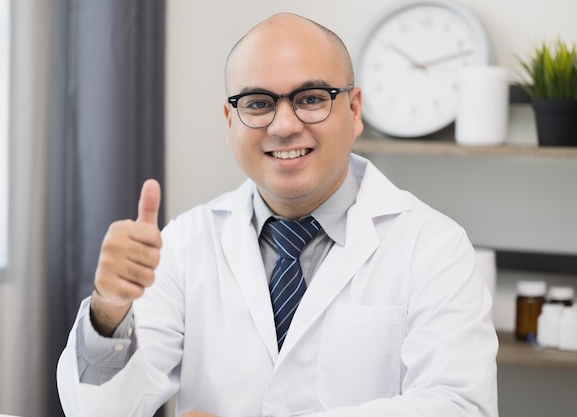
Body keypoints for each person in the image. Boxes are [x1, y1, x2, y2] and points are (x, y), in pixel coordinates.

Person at [57, 12, 498, 417]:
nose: (284, 125)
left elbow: (458, 406)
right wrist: (109, 311)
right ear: (229, 121)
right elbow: (99, 412)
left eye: (310, 98)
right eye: (257, 103)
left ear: (354, 109)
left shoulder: (433, 246)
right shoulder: (185, 243)